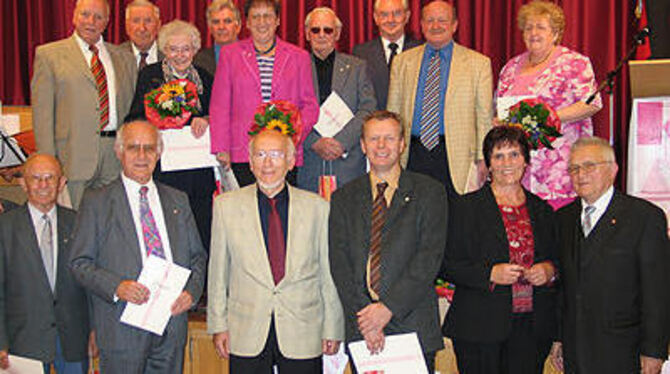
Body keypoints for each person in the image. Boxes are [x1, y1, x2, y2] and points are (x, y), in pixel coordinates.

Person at [69, 121, 207, 374]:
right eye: (133, 148)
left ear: (159, 152)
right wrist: (117, 287)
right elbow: (79, 263)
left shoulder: (178, 200)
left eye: (149, 148)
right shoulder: (96, 202)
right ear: (119, 152)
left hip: (172, 323)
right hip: (122, 327)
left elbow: (198, 257)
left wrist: (191, 292)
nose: (142, 156)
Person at [207, 126, 343, 373]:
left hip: (303, 329)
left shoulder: (318, 208)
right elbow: (218, 272)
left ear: (291, 161)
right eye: (259, 155)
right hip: (246, 330)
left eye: (276, 155)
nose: (267, 163)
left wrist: (332, 326)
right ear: (249, 162)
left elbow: (327, 272)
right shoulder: (225, 206)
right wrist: (218, 324)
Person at [329, 111, 448, 372]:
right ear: (362, 145)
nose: (381, 146)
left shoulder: (430, 192)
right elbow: (340, 264)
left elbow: (429, 259)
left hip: (413, 324)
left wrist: (387, 309)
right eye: (373, 139)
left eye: (389, 138)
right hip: (363, 330)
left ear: (402, 143)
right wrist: (368, 319)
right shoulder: (343, 198)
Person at [442, 126, 558, 374]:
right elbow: (446, 263)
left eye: (514, 154)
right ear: (489, 164)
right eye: (498, 155)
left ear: (526, 161)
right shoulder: (464, 208)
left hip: (531, 329)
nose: (507, 162)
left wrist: (549, 270)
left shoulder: (543, 210)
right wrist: (489, 274)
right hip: (479, 327)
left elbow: (559, 260)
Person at [551, 137, 669, 374]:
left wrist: (654, 351)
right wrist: (559, 338)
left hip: (624, 350)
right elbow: (563, 287)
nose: (580, 174)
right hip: (575, 349)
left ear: (613, 170)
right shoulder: (563, 218)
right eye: (574, 168)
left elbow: (658, 291)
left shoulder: (645, 218)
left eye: (589, 166)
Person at [495, 0, 602, 209]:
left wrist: (547, 117)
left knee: (558, 229)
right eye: (528, 27)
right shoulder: (510, 67)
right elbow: (500, 106)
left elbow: (592, 104)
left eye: (540, 27)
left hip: (558, 167)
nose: (533, 32)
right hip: (518, 166)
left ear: (555, 33)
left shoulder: (573, 62)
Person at [31, 0, 137, 209]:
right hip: (71, 155)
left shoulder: (125, 58)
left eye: (98, 17)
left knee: (113, 220)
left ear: (107, 21)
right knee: (75, 225)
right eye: (85, 15)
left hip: (115, 154)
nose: (91, 22)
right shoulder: (49, 55)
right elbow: (42, 116)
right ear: (74, 17)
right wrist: (48, 162)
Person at [387, 0, 492, 199]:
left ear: (454, 25)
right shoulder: (402, 62)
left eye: (442, 20)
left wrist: (483, 158)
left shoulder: (478, 64)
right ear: (421, 24)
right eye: (430, 20)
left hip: (456, 157)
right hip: (412, 154)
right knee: (413, 219)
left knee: (456, 220)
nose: (435, 26)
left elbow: (484, 116)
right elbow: (393, 113)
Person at [0, 154, 95, 374]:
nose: (43, 185)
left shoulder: (79, 223)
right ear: (23, 183)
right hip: (21, 343)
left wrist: (95, 330)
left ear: (61, 183)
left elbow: (90, 284)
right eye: (36, 178)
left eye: (50, 178)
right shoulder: (5, 228)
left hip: (73, 340)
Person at [126, 20, 215, 251]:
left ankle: (199, 285)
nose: (180, 55)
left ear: (195, 50)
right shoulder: (151, 77)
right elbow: (134, 118)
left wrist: (206, 119)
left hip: (198, 171)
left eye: (186, 49)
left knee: (201, 230)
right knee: (170, 230)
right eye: (173, 49)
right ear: (164, 50)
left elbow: (219, 114)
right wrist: (157, 123)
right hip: (166, 171)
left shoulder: (205, 78)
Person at [209, 0, 319, 187]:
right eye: (256, 17)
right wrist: (221, 148)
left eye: (267, 16)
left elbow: (310, 106)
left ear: (277, 21)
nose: (262, 22)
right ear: (247, 23)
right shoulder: (230, 55)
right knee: (248, 210)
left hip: (284, 150)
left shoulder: (299, 57)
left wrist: (292, 135)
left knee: (281, 210)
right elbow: (220, 105)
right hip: (243, 150)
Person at [298, 7, 377, 193]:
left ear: (338, 33)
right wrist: (313, 142)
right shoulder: (296, 67)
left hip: (348, 161)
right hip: (310, 160)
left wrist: (342, 141)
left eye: (328, 30)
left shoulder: (357, 67)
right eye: (315, 30)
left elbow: (368, 109)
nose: (321, 35)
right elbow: (290, 111)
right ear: (307, 34)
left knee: (348, 219)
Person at [352, 0, 421, 110]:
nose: (390, 20)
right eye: (384, 14)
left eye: (397, 13)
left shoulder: (421, 51)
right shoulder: (361, 53)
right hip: (374, 123)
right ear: (375, 18)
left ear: (407, 16)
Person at [193, 0, 241, 76]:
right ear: (210, 28)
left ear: (238, 26)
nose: (221, 27)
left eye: (227, 21)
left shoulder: (253, 58)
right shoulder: (199, 61)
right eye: (216, 22)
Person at [120, 0, 163, 71]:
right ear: (127, 26)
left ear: (158, 25)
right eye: (136, 21)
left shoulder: (169, 57)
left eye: (148, 21)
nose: (142, 28)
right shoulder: (115, 58)